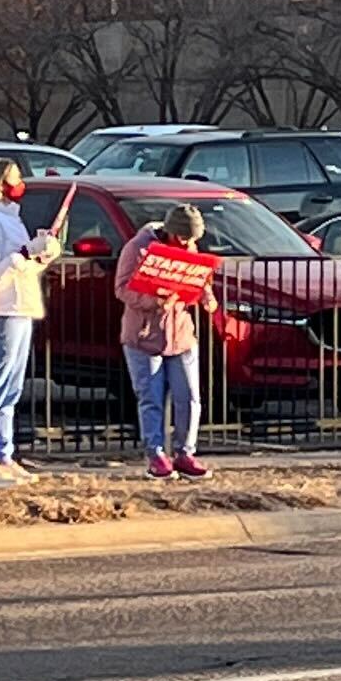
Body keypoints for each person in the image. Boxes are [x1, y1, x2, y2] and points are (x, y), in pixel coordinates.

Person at [0, 165, 66, 483]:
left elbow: (23, 267)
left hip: (21, 306)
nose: (20, 184)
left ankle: (4, 453)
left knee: (11, 388)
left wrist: (44, 256)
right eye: (15, 179)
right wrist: (24, 252)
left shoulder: (12, 217)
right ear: (0, 184)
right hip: (0, 310)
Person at [119, 201, 212, 479]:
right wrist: (153, 301)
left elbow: (199, 278)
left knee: (190, 398)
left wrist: (206, 294)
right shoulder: (138, 249)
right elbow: (122, 289)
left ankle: (186, 452)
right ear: (170, 231)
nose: (187, 243)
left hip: (181, 335)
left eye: (192, 239)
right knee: (151, 399)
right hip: (144, 337)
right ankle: (156, 453)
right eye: (184, 237)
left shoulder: (188, 248)